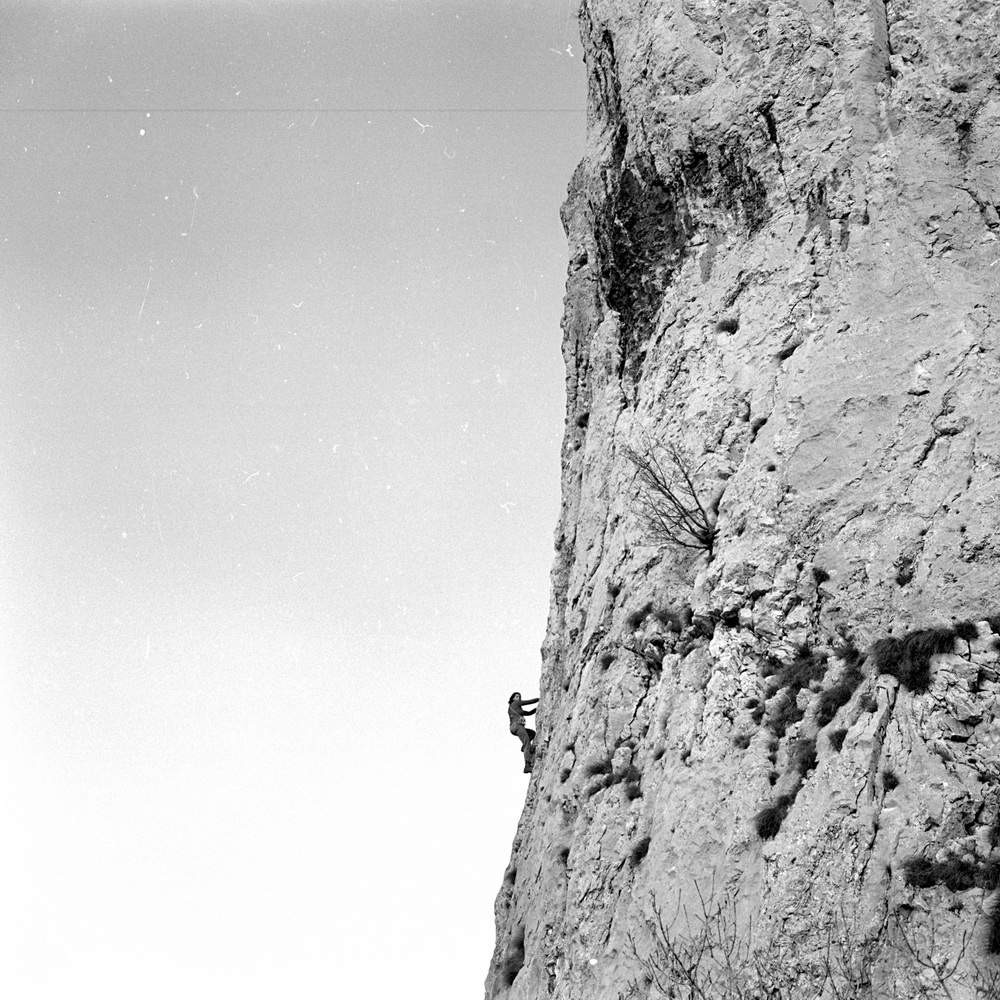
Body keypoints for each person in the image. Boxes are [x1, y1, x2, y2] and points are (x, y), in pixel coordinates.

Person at [508, 692, 538, 773]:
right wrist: (539, 699)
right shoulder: (515, 703)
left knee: (532, 733)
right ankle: (527, 766)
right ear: (513, 698)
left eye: (519, 697)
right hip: (517, 726)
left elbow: (528, 713)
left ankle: (525, 747)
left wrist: (536, 709)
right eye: (516, 696)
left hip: (514, 727)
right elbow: (528, 702)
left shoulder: (517, 708)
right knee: (527, 742)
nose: (518, 698)